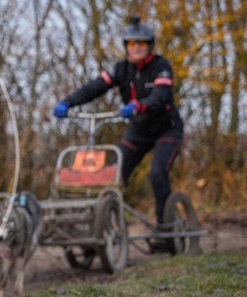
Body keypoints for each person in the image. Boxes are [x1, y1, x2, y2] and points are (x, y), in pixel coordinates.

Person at [53, 16, 184, 242]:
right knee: (111, 176)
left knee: (157, 174)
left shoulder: (161, 67)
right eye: (131, 44)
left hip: (166, 130)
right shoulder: (120, 69)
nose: (136, 48)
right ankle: (100, 228)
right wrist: (68, 102)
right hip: (138, 132)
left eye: (141, 44)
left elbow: (160, 96)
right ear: (126, 46)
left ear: (149, 45)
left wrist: (138, 105)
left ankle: (166, 230)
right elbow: (95, 87)